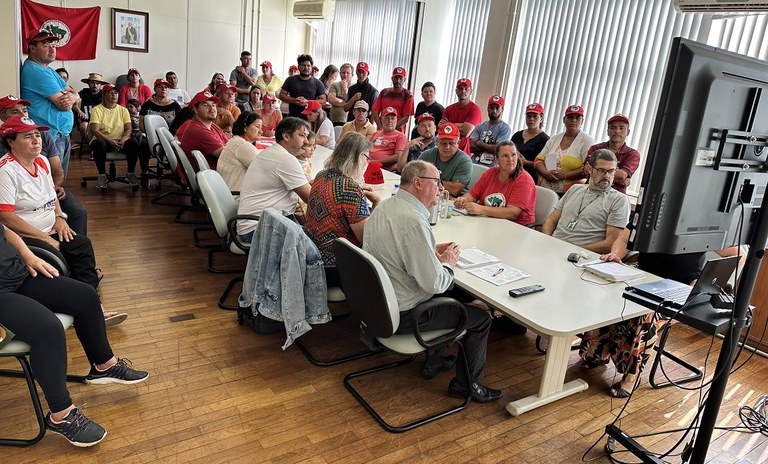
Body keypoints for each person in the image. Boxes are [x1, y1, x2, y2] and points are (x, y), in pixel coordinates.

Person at [363, 160, 501, 402]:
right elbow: (435, 284)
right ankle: (466, 386)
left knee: (454, 298)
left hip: (380, 304)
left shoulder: (386, 206)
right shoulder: (414, 221)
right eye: (436, 181)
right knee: (480, 319)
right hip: (405, 314)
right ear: (418, 183)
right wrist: (447, 261)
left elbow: (396, 251)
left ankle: (434, 360)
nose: (441, 187)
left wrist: (429, 250)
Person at [0, 224, 149, 447]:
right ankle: (61, 415)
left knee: (85, 295)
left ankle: (104, 365)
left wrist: (28, 255)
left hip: (19, 275)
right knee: (48, 330)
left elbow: (5, 230)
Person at [0, 116, 103, 294]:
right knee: (59, 257)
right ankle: (81, 298)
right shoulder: (5, 171)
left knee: (82, 244)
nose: (36, 140)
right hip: (25, 237)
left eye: (37, 135)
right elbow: (6, 217)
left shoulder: (42, 161)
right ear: (11, 141)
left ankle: (93, 299)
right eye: (27, 137)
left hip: (51, 229)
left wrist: (59, 217)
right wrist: (45, 238)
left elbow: (51, 194)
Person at [0, 95, 88, 237]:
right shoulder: (5, 151)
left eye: (25, 110)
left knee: (78, 212)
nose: (23, 115)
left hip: (49, 190)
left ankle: (70, 245)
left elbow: (57, 169)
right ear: (3, 117)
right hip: (17, 198)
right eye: (15, 112)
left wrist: (54, 186)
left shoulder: (42, 134)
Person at [305, 132, 380, 287]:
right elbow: (367, 238)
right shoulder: (349, 188)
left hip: (312, 257)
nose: (367, 163)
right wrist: (377, 203)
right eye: (367, 158)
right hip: (335, 268)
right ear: (359, 157)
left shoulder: (321, 175)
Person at [236, 117, 311, 242]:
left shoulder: (274, 152)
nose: (307, 142)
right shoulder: (285, 159)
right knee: (317, 249)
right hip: (258, 229)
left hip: (256, 225)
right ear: (286, 136)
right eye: (302, 136)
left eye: (307, 136)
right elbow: (311, 197)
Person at [541, 149, 629, 253]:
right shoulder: (575, 189)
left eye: (611, 171)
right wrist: (547, 240)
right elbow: (550, 221)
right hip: (553, 247)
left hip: (580, 255)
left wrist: (572, 251)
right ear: (589, 169)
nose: (606, 176)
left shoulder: (619, 200)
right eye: (601, 170)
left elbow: (610, 243)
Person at [21, 31, 79, 185]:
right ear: (32, 48)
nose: (52, 50)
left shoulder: (48, 70)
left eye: (54, 46)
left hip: (61, 135)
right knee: (52, 185)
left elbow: (75, 94)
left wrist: (74, 96)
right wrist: (73, 97)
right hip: (51, 137)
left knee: (58, 183)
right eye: (46, 46)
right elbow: (64, 104)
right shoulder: (35, 70)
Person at [454, 141, 536, 224]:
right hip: (489, 221)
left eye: (513, 155)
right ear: (497, 159)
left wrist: (481, 209)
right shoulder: (490, 173)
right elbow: (472, 195)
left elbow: (512, 213)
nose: (510, 159)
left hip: (516, 226)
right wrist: (464, 200)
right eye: (505, 156)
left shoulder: (524, 179)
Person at [89, 85, 147, 189]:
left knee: (133, 142)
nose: (114, 95)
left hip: (121, 141)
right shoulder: (96, 110)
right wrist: (110, 141)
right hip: (104, 141)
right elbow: (95, 130)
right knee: (98, 143)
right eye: (110, 93)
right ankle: (102, 175)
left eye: (115, 93)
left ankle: (130, 173)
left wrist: (123, 139)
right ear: (104, 95)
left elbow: (128, 129)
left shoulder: (123, 110)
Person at [535, 105, 595, 195]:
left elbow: (589, 168)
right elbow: (538, 160)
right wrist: (545, 173)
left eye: (577, 118)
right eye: (570, 117)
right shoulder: (554, 138)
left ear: (582, 121)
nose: (573, 120)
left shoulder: (587, 141)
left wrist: (566, 176)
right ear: (564, 120)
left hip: (570, 192)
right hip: (545, 188)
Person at [585, 114, 640, 194]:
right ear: (607, 132)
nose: (617, 131)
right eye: (613, 128)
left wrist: (598, 172)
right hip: (590, 193)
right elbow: (587, 170)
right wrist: (619, 178)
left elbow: (622, 175)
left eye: (621, 128)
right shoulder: (595, 149)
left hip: (615, 197)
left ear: (628, 132)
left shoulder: (632, 154)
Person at [416, 122, 473, 196]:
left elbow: (455, 190)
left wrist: (428, 180)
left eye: (451, 143)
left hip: (454, 200)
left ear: (458, 143)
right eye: (443, 143)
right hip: (428, 194)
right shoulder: (426, 155)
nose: (447, 147)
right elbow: (415, 177)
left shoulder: (465, 161)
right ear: (437, 142)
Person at [178, 90, 228, 169]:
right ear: (195, 110)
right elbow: (227, 156)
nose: (212, 109)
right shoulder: (198, 130)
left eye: (213, 105)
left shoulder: (212, 126)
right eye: (205, 105)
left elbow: (229, 144)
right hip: (210, 176)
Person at [217, 112, 263, 193]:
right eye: (257, 127)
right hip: (236, 196)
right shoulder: (242, 145)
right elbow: (264, 171)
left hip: (228, 193)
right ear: (245, 128)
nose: (261, 131)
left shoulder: (237, 140)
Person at [441, 78, 482, 155]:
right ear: (456, 91)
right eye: (460, 89)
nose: (463, 91)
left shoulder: (475, 109)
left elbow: (465, 132)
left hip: (465, 152)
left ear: (471, 91)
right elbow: (442, 128)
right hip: (447, 149)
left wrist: (449, 124)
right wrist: (460, 125)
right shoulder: (449, 109)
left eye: (466, 89)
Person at [279, 54, 327, 119]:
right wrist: (294, 100)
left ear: (311, 67)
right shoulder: (290, 80)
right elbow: (281, 95)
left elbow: (323, 101)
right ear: (298, 66)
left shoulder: (317, 83)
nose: (306, 68)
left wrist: (308, 102)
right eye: (303, 65)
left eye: (308, 66)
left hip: (311, 119)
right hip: (293, 117)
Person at [511, 102, 549, 183]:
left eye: (535, 116)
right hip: (512, 175)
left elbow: (546, 165)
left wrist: (526, 162)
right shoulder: (517, 135)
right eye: (529, 116)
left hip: (530, 179)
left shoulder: (545, 140)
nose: (531, 119)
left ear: (541, 119)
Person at [469, 95, 512, 167]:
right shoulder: (480, 126)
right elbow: (471, 147)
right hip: (474, 164)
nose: (494, 111)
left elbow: (497, 150)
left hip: (492, 167)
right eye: (491, 108)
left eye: (497, 108)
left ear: (502, 110)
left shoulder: (505, 128)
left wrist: (478, 143)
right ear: (487, 108)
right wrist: (490, 147)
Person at [371, 67, 414, 133]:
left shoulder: (408, 95)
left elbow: (405, 118)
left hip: (398, 132)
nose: (398, 81)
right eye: (396, 78)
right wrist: (380, 127)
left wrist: (390, 128)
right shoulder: (384, 92)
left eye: (400, 78)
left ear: (404, 79)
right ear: (392, 78)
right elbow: (375, 111)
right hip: (382, 131)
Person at [75, 73, 108, 152]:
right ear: (88, 83)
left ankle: (103, 146)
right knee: (83, 126)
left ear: (101, 85)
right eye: (92, 83)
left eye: (97, 83)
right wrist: (79, 111)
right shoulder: (84, 92)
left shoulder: (104, 93)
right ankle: (91, 146)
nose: (95, 85)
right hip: (86, 119)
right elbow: (73, 102)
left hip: (101, 120)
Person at [368, 106, 407, 171]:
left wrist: (375, 162)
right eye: (387, 118)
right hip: (368, 166)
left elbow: (398, 157)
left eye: (393, 118)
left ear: (396, 120)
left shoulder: (401, 136)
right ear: (382, 119)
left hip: (385, 170)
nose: (390, 121)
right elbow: (366, 149)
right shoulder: (376, 133)